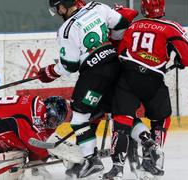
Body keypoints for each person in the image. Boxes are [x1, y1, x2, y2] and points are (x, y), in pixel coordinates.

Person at [37, 0, 131, 178]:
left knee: (79, 118)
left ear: (62, 7)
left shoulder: (66, 29)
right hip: (115, 65)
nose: (57, 12)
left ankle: (91, 160)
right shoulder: (97, 6)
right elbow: (122, 25)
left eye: (57, 8)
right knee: (114, 112)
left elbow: (70, 66)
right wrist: (114, 45)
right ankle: (144, 144)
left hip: (95, 75)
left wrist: (50, 72)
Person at [104, 0, 188, 179]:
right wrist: (179, 60)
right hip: (153, 80)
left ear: (143, 8)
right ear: (163, 8)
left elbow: (120, 49)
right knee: (161, 119)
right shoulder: (172, 27)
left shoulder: (133, 25)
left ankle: (116, 168)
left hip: (128, 77)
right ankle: (150, 159)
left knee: (122, 121)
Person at [0, 94, 68, 162]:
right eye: (54, 120)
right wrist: (55, 152)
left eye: (58, 122)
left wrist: (37, 164)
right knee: (3, 164)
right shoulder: (35, 112)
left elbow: (36, 151)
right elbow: (33, 142)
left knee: (19, 153)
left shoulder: (40, 114)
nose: (54, 124)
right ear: (48, 110)